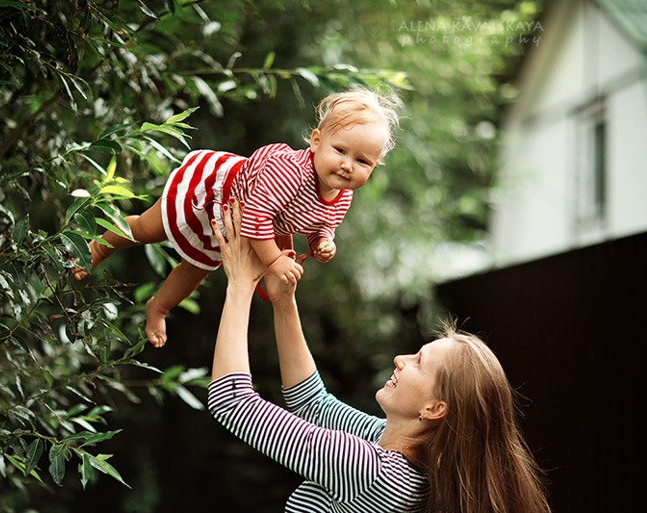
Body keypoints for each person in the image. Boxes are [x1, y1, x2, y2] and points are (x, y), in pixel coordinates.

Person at [208, 198, 552, 512]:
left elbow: (232, 403)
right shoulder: (390, 444)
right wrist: (284, 302)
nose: (400, 359)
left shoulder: (370, 470)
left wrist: (239, 284)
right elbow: (312, 404)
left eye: (418, 363)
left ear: (434, 409)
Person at [72, 87, 401, 348]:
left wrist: (322, 241)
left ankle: (158, 308)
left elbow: (320, 222)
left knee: (197, 268)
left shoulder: (342, 195)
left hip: (234, 224)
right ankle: (100, 248)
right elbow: (257, 216)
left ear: (374, 167)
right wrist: (273, 260)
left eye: (362, 161)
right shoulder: (289, 172)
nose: (348, 165)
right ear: (316, 141)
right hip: (215, 193)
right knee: (147, 228)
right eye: (340, 151)